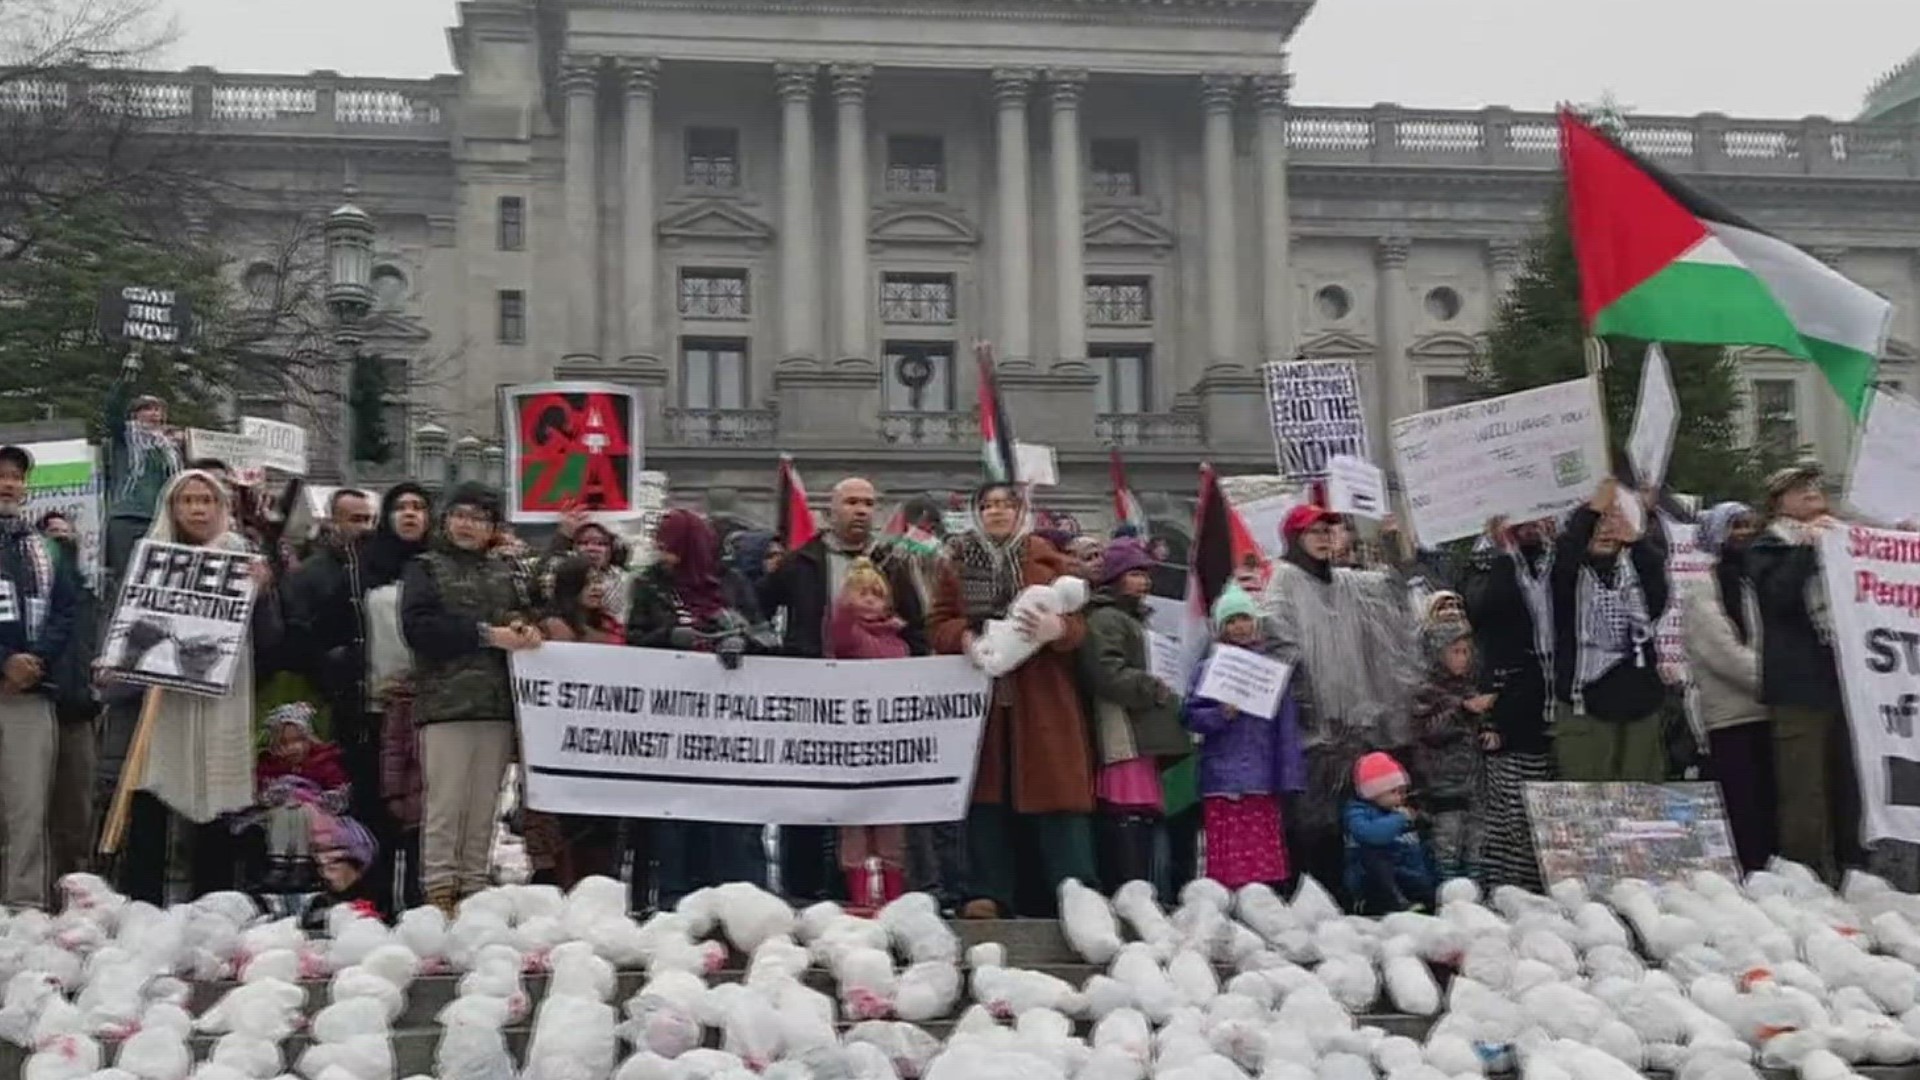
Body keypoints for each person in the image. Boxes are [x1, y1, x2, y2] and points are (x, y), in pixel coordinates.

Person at [113, 468, 284, 903]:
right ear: (172, 507)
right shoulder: (152, 557)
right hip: (161, 701)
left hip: (218, 700)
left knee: (217, 799)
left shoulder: (243, 560)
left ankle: (213, 904)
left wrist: (262, 594)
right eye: (187, 500)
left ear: (220, 508)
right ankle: (143, 906)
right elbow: (130, 627)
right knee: (152, 794)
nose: (197, 509)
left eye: (206, 501)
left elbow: (271, 640)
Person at [929, 481, 1098, 918]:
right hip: (982, 692)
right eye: (987, 506)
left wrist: (1059, 632)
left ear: (1022, 512)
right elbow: (938, 622)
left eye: (1006, 505)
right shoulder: (957, 563)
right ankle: (988, 889)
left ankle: (1072, 887)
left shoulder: (1049, 559)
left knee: (1054, 790)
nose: (997, 512)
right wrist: (962, 638)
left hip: (1041, 695)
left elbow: (1082, 624)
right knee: (986, 793)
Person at [759, 477, 927, 902]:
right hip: (814, 697)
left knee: (879, 804)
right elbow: (757, 609)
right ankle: (804, 888)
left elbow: (917, 624)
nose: (861, 510)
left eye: (869, 503)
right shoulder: (802, 562)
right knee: (809, 796)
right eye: (851, 502)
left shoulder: (893, 562)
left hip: (879, 705)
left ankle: (876, 891)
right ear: (830, 510)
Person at [1259, 503, 1420, 897]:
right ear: (1295, 538)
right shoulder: (1284, 579)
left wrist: (1392, 544)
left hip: (1353, 726)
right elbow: (1278, 639)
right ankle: (1312, 898)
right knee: (1313, 821)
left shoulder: (1348, 583)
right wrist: (1306, 699)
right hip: (1311, 727)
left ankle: (1355, 899)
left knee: (1355, 817)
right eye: (1314, 532)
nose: (1324, 538)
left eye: (1329, 531)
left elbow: (1393, 591)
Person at [399, 482, 539, 912]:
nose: (467, 525)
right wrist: (485, 636)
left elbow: (521, 612)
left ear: (492, 527)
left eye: (478, 518)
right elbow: (419, 629)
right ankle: (439, 889)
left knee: (485, 806)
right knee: (446, 804)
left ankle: (474, 888)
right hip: (445, 705)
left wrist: (522, 627)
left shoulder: (505, 572)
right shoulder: (426, 567)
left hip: (496, 705)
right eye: (460, 515)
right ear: (446, 520)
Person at [626, 508, 773, 909]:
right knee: (676, 815)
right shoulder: (649, 586)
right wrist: (669, 636)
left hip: (728, 723)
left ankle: (742, 899)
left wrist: (741, 640)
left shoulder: (732, 583)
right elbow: (632, 643)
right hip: (672, 723)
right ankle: (677, 897)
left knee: (732, 815)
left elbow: (767, 636)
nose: (664, 554)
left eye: (672, 546)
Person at [1746, 463, 1856, 880]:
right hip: (1799, 688)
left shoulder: (1840, 537)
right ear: (1780, 504)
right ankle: (1807, 875)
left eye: (1814, 484)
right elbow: (1778, 599)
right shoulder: (1767, 548)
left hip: (1845, 685)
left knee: (1848, 787)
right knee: (1804, 790)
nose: (1812, 491)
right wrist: (1808, 550)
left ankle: (1852, 870)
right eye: (1800, 487)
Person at [1080, 537, 1190, 895]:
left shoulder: (1133, 619)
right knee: (1126, 807)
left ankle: (1143, 888)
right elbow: (1106, 671)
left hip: (1142, 729)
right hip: (1124, 729)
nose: (1143, 582)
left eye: (1146, 574)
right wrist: (1148, 685)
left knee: (1142, 811)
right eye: (1135, 573)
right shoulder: (1107, 619)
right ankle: (1129, 889)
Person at [1181, 584, 1302, 891]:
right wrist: (1220, 715)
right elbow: (1190, 715)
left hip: (1262, 778)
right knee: (1228, 855)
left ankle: (1264, 899)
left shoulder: (1272, 673)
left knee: (1262, 852)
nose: (1240, 627)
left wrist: (1288, 776)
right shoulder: (1209, 669)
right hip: (1222, 777)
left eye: (1245, 618)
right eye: (1232, 621)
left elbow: (1286, 729)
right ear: (1222, 628)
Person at [0, 445, 80, 907]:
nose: (9, 484)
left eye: (16, 476)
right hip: (8, 675)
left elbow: (65, 612)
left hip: (31, 694)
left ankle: (22, 907)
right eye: (2, 476)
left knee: (27, 809)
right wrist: (3, 661)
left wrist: (34, 662)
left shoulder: (45, 546)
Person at [1459, 515, 1557, 890]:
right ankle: (1507, 889)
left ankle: (1542, 884)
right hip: (1505, 704)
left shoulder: (1554, 559)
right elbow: (1485, 608)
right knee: (1510, 810)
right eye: (1522, 520)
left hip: (1551, 704)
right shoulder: (1485, 564)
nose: (1530, 526)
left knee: (1546, 806)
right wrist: (1503, 554)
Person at [1550, 479, 1670, 783]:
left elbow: (1657, 596)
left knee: (1643, 807)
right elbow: (1565, 556)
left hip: (1640, 706)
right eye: (1599, 523)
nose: (1605, 530)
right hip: (1586, 708)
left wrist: (1636, 539)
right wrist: (1591, 512)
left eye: (1612, 522)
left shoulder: (1637, 571)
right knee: (1591, 805)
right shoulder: (1567, 577)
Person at [522, 556, 624, 889]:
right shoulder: (554, 626)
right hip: (563, 739)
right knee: (567, 825)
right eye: (589, 581)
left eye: (600, 581)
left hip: (607, 740)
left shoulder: (610, 625)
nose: (597, 588)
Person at [1684, 501, 1773, 872]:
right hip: (1730, 714)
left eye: (1749, 525)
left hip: (1769, 711)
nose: (1743, 533)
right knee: (1741, 805)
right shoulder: (1700, 586)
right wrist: (1770, 680)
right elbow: (1719, 651)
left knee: (1771, 802)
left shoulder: (1756, 579)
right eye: (1734, 525)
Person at [827, 558, 912, 910]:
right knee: (855, 823)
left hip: (890, 748)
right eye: (861, 594)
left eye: (876, 595)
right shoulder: (850, 636)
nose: (869, 601)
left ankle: (891, 894)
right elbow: (839, 631)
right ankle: (860, 895)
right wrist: (844, 601)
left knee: (891, 826)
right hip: (853, 746)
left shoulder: (899, 643)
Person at [1407, 621, 1495, 881]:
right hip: (1443, 787)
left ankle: (1474, 895)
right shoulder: (1427, 691)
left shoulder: (1471, 687)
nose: (1462, 658)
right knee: (1447, 846)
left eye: (1466, 652)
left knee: (1476, 845)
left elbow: (1480, 726)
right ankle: (1447, 896)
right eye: (1455, 652)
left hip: (1474, 785)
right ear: (1438, 654)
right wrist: (1462, 711)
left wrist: (1490, 733)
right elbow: (1428, 732)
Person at [39, 507, 99, 883]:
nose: (61, 540)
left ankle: (76, 886)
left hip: (80, 711)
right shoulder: (31, 585)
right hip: (38, 702)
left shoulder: (90, 593)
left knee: (77, 811)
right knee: (29, 810)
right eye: (52, 535)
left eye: (66, 534)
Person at [253, 702, 351, 891]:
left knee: (302, 812)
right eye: (284, 743)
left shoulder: (323, 764)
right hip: (280, 811)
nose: (292, 748)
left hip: (315, 813)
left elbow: (340, 791)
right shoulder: (270, 766)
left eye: (297, 740)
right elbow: (260, 792)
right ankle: (278, 861)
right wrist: (273, 795)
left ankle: (301, 863)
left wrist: (326, 799)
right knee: (283, 812)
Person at [101, 355, 181, 585]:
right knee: (127, 578)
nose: (154, 414)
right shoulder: (125, 439)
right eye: (147, 409)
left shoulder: (170, 449)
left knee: (155, 580)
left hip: (159, 519)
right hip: (127, 517)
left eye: (158, 410)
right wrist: (127, 377)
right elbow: (112, 410)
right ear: (135, 415)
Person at [1343, 751, 1434, 914]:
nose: (1400, 798)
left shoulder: (1398, 812)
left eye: (1403, 792)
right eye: (1394, 792)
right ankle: (1386, 902)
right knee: (1375, 858)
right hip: (1373, 882)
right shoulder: (1357, 813)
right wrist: (1399, 819)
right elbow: (1373, 835)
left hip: (1407, 877)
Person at [547, 505, 634, 627]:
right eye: (583, 543)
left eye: (601, 543)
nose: (592, 549)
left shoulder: (625, 581)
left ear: (613, 549)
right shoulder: (560, 575)